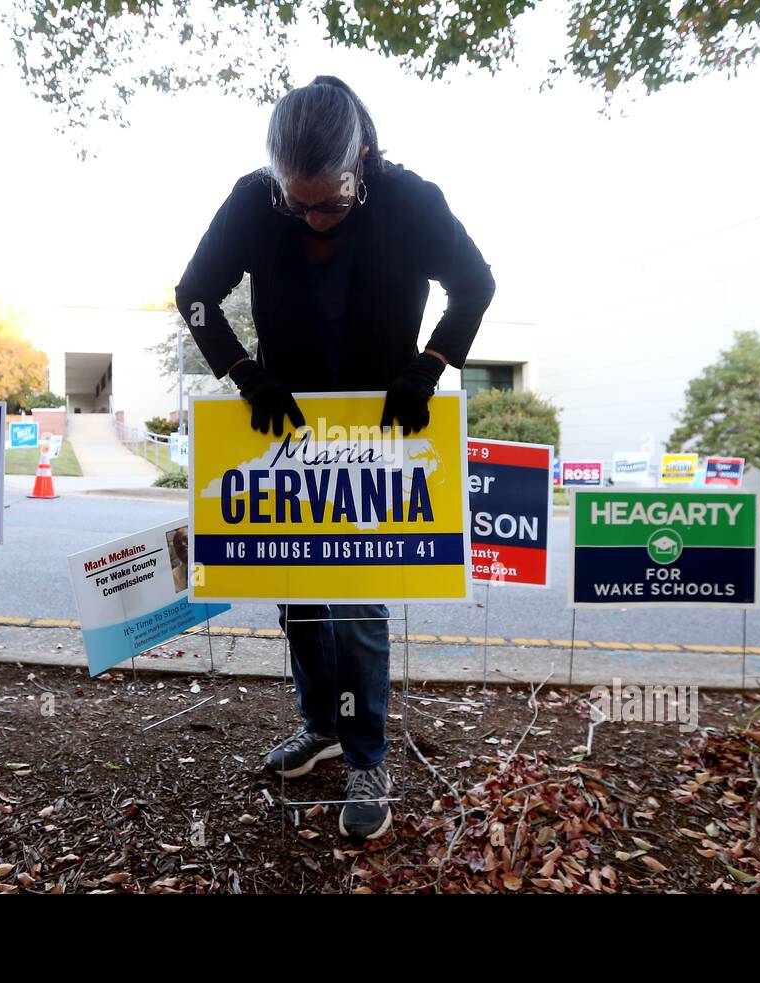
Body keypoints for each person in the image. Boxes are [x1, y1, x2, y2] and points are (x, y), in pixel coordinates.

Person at [175, 76, 495, 839]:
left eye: (331, 201)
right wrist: (245, 372)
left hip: (377, 433)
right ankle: (320, 725)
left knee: (354, 607)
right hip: (287, 428)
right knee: (299, 598)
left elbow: (475, 284)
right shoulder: (255, 201)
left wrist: (430, 365)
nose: (313, 219)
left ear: (365, 162)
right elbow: (193, 294)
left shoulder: (411, 201)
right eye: (298, 203)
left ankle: (366, 756)